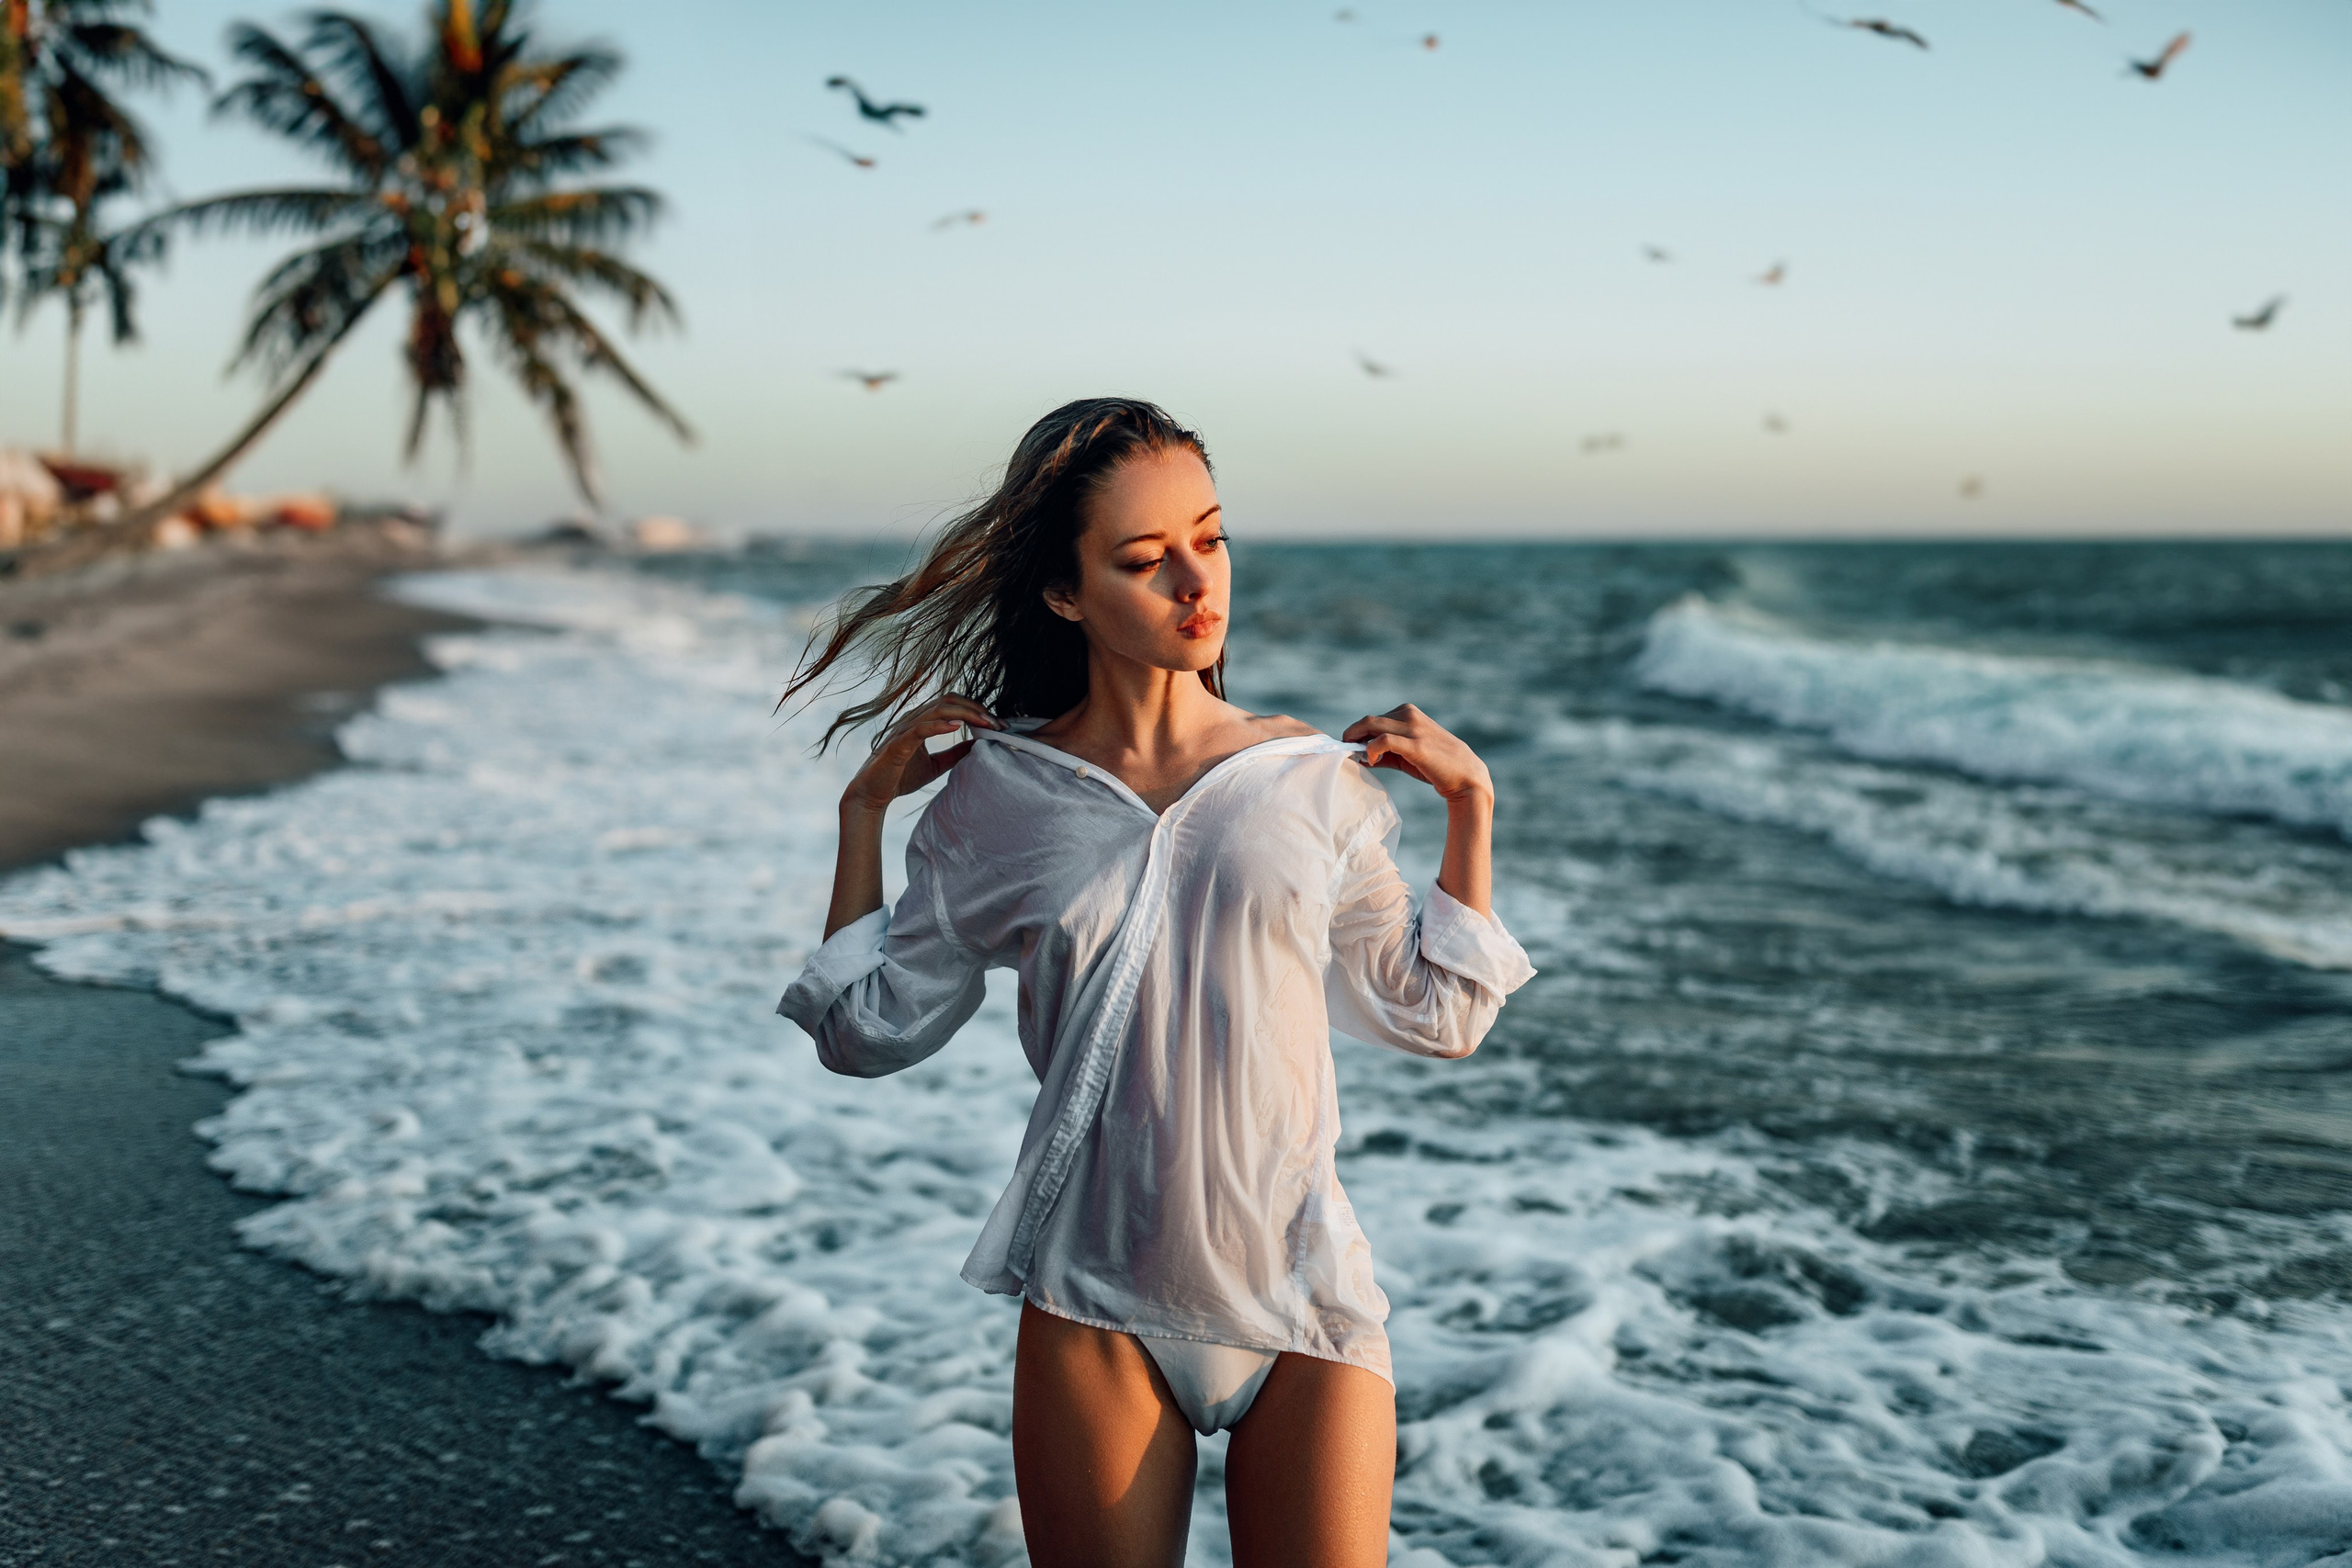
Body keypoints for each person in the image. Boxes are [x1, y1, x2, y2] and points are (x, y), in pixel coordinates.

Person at [776, 397, 1534, 1567]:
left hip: (1304, 1298)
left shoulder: (1310, 782)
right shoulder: (999, 798)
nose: (1196, 582)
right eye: (1143, 559)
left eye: (1210, 538)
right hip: (1095, 1307)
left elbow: (1437, 1015)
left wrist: (1472, 810)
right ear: (1065, 594)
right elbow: (870, 1032)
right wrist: (863, 813)